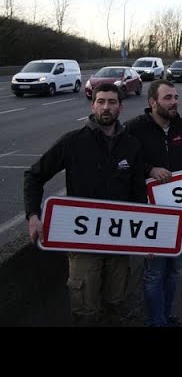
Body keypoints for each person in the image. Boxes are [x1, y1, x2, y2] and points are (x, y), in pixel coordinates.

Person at [24, 83, 147, 327]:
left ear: (120, 107)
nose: (106, 107)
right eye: (101, 101)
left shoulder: (132, 146)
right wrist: (33, 216)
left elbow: (138, 195)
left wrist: (144, 236)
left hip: (118, 242)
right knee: (86, 311)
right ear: (92, 106)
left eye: (112, 102)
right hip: (82, 241)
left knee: (116, 304)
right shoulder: (73, 142)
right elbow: (34, 176)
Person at [125, 79, 182, 327]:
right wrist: (149, 169)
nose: (174, 102)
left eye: (175, 97)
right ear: (152, 102)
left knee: (175, 270)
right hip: (151, 213)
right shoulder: (134, 129)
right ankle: (156, 322)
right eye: (168, 98)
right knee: (154, 272)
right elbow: (123, 164)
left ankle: (166, 316)